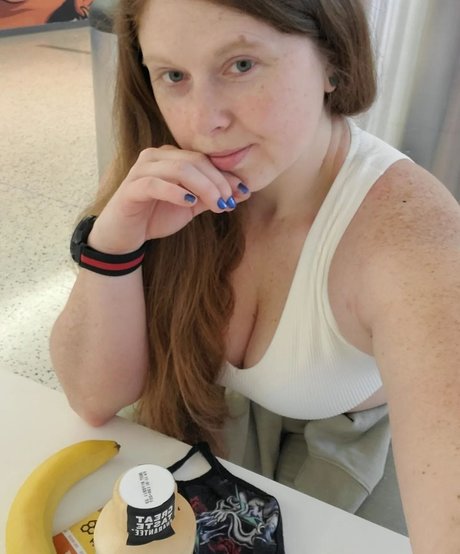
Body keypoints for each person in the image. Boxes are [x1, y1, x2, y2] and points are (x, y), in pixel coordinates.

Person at [49, 1, 460, 552]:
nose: (203, 123)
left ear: (333, 61)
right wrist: (114, 244)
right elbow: (92, 398)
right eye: (174, 75)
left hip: (336, 441)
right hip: (210, 418)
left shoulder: (412, 239)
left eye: (241, 65)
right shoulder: (165, 171)